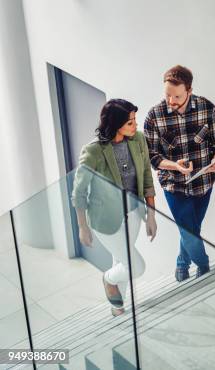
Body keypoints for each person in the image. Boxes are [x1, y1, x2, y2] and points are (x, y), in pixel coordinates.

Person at [144, 65, 215, 282]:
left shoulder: (207, 109)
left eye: (176, 96)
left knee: (191, 229)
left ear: (189, 91)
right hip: (174, 185)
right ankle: (204, 267)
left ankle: (182, 263)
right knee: (189, 231)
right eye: (167, 95)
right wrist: (175, 166)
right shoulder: (154, 116)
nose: (170, 101)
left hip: (203, 184)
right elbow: (152, 157)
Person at [72, 99, 157, 316]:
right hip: (105, 220)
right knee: (135, 266)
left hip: (134, 214)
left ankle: (118, 310)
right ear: (115, 124)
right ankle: (108, 279)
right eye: (130, 122)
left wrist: (151, 216)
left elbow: (147, 177)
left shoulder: (138, 140)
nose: (135, 126)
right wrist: (82, 227)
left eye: (134, 120)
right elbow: (79, 192)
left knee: (123, 261)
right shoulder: (93, 151)